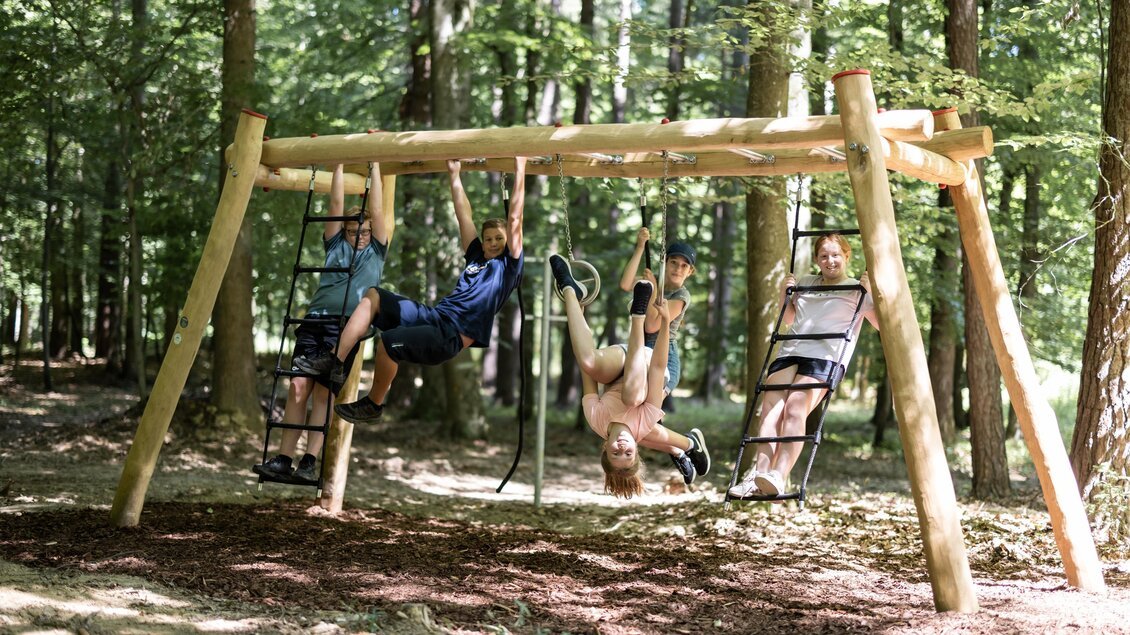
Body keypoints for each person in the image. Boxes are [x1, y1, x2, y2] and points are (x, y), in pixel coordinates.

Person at [296, 157, 527, 424]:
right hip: (434, 316)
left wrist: (519, 168)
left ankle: (374, 404)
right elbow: (463, 214)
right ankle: (335, 361)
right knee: (374, 296)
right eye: (489, 239)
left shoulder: (508, 265)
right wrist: (454, 174)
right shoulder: (476, 256)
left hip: (450, 335)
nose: (493, 243)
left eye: (499, 238)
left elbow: (515, 218)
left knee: (389, 343)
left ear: (509, 242)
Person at [254, 163, 391, 482]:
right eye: (355, 231)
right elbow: (335, 205)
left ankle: (309, 460)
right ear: (344, 231)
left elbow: (379, 209)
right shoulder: (336, 244)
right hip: (314, 321)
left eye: (366, 232)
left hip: (346, 328)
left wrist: (376, 167)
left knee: (323, 393)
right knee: (298, 386)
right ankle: (283, 458)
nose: (361, 236)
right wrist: (339, 164)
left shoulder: (376, 251)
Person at [728, 233, 880, 498]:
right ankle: (757, 475)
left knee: (795, 408)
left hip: (826, 356)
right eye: (823, 256)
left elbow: (882, 325)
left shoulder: (858, 288)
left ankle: (779, 475)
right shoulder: (806, 283)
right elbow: (789, 318)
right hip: (792, 349)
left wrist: (874, 293)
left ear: (846, 256)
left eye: (835, 255)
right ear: (816, 260)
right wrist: (784, 295)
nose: (829, 261)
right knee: (770, 411)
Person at [551, 255, 710, 497]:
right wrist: (666, 322)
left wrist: (579, 313)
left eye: (616, 453)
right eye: (629, 453)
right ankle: (637, 316)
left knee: (588, 360)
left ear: (605, 448)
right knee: (633, 397)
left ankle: (570, 289)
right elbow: (657, 368)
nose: (622, 447)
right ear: (636, 449)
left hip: (620, 367)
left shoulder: (596, 419)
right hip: (650, 363)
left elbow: (587, 371)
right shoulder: (644, 423)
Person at [617, 228, 695, 398]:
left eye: (684, 266)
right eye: (674, 262)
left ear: (690, 272)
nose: (678, 269)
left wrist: (652, 288)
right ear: (666, 263)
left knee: (645, 413)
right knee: (635, 412)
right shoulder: (653, 281)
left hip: (664, 358)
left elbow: (652, 325)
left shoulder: (682, 295)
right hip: (640, 349)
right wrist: (640, 247)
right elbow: (625, 284)